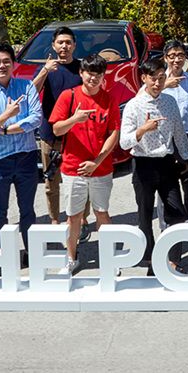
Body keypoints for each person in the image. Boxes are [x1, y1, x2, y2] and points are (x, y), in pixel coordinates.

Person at [120, 57, 188, 275]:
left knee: (176, 213)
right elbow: (124, 142)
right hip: (143, 163)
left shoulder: (169, 102)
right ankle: (151, 260)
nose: (158, 83)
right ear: (144, 78)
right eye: (153, 78)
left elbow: (179, 132)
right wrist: (142, 130)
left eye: (161, 78)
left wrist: (187, 159)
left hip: (166, 162)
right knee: (144, 215)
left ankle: (173, 259)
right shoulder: (134, 105)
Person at [50, 54, 120, 274]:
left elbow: (114, 133)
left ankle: (110, 260)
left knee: (102, 213)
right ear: (81, 73)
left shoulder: (109, 99)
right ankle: (71, 258)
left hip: (101, 169)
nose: (93, 78)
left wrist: (97, 162)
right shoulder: (68, 96)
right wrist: (74, 119)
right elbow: (56, 129)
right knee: (74, 216)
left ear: (103, 76)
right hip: (73, 168)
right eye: (89, 73)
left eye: (98, 74)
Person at [0, 43, 42, 261]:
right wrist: (6, 115)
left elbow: (36, 119)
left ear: (13, 64)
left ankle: (31, 253)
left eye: (6, 62)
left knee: (27, 210)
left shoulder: (27, 86)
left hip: (26, 156)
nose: (1, 66)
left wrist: (2, 128)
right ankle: (2, 256)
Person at [31, 26, 83, 226]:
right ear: (53, 45)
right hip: (50, 133)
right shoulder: (47, 68)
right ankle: (54, 219)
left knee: (80, 180)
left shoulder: (81, 67)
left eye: (68, 42)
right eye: (60, 42)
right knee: (51, 182)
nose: (64, 46)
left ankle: (80, 219)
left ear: (74, 45)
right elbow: (31, 93)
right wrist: (45, 70)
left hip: (77, 133)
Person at [161, 40, 188, 222]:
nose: (177, 60)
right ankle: (168, 227)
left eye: (180, 55)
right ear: (165, 58)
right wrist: (164, 85)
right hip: (165, 139)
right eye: (172, 56)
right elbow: (142, 99)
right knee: (166, 185)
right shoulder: (157, 79)